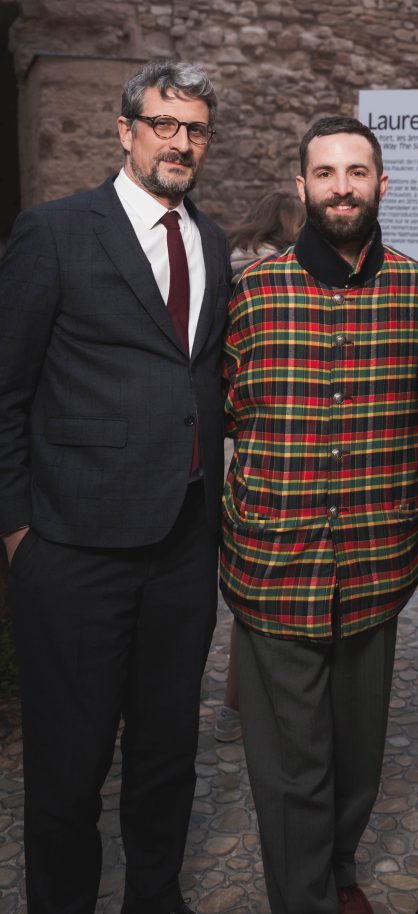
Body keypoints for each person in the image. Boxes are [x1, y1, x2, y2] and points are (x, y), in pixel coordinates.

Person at [0, 59, 230, 914]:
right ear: (125, 130)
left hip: (182, 546)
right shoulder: (54, 232)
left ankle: (154, 899)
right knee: (68, 762)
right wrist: (19, 533)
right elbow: (6, 391)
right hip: (72, 549)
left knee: (168, 754)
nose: (180, 141)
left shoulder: (210, 240)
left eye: (195, 128)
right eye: (164, 124)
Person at [221, 115, 418, 914]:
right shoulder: (254, 291)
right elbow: (224, 407)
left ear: (381, 183)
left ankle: (337, 865)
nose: (341, 187)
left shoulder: (415, 288)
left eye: (357, 172)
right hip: (277, 567)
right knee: (292, 765)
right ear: (303, 184)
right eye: (325, 173)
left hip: (379, 564)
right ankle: (304, 896)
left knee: (360, 755)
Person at [215, 190, 305, 744]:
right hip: (283, 433)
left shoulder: (227, 257)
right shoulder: (276, 273)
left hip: (247, 439)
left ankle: (234, 703)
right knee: (278, 579)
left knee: (256, 579)